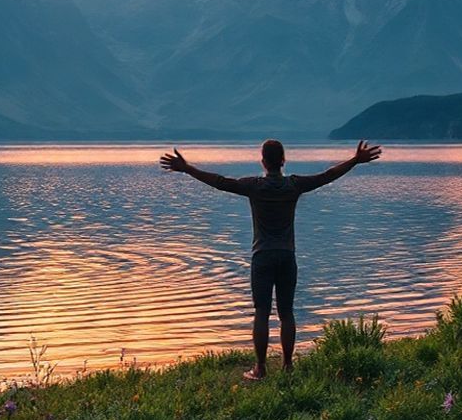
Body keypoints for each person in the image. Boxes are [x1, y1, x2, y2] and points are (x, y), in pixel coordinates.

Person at [159, 139, 383, 380]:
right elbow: (327, 176)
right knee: (286, 312)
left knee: (262, 312)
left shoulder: (254, 186)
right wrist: (355, 160)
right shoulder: (294, 185)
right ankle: (288, 366)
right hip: (287, 256)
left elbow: (219, 182)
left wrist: (187, 168)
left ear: (263, 162)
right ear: (283, 161)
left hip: (262, 257)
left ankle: (261, 368)